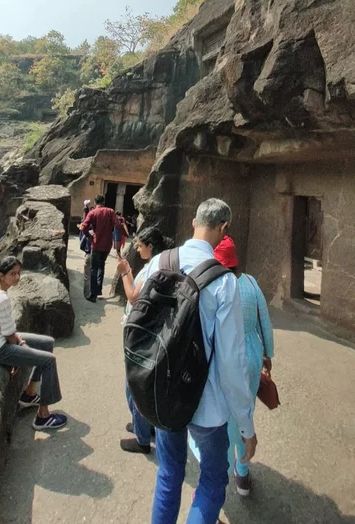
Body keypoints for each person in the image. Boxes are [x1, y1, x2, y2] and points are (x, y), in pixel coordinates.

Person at [143, 198, 256, 524]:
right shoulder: (224, 281)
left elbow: (134, 315)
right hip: (206, 402)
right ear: (224, 229)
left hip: (163, 392)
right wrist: (246, 425)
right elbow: (232, 361)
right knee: (213, 478)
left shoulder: (160, 261)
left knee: (169, 473)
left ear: (194, 222)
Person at [212, 234, 274, 497]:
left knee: (224, 414)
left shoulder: (214, 285)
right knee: (245, 409)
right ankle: (243, 472)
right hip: (250, 354)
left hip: (223, 354)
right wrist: (268, 355)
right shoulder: (250, 282)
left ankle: (223, 470)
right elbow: (265, 323)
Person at [0, 256, 67, 431]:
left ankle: (29, 393)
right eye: (13, 274)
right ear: (1, 275)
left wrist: (20, 343)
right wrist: (21, 348)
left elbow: (9, 331)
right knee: (49, 361)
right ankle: (43, 416)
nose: (17, 277)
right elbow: (9, 334)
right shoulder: (0, 299)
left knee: (47, 343)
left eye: (19, 273)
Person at [117, 226, 171, 454]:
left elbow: (133, 296)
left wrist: (123, 273)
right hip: (150, 329)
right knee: (140, 383)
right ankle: (144, 426)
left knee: (135, 385)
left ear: (150, 246)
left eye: (140, 246)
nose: (138, 250)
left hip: (142, 332)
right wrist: (129, 271)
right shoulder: (159, 263)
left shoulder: (154, 267)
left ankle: (142, 438)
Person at [81, 194, 121, 303]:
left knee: (93, 268)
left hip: (96, 243)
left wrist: (89, 236)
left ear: (95, 202)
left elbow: (84, 226)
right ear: (103, 202)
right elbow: (118, 224)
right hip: (107, 244)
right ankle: (98, 290)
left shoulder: (93, 213)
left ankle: (93, 294)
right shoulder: (110, 211)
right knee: (101, 266)